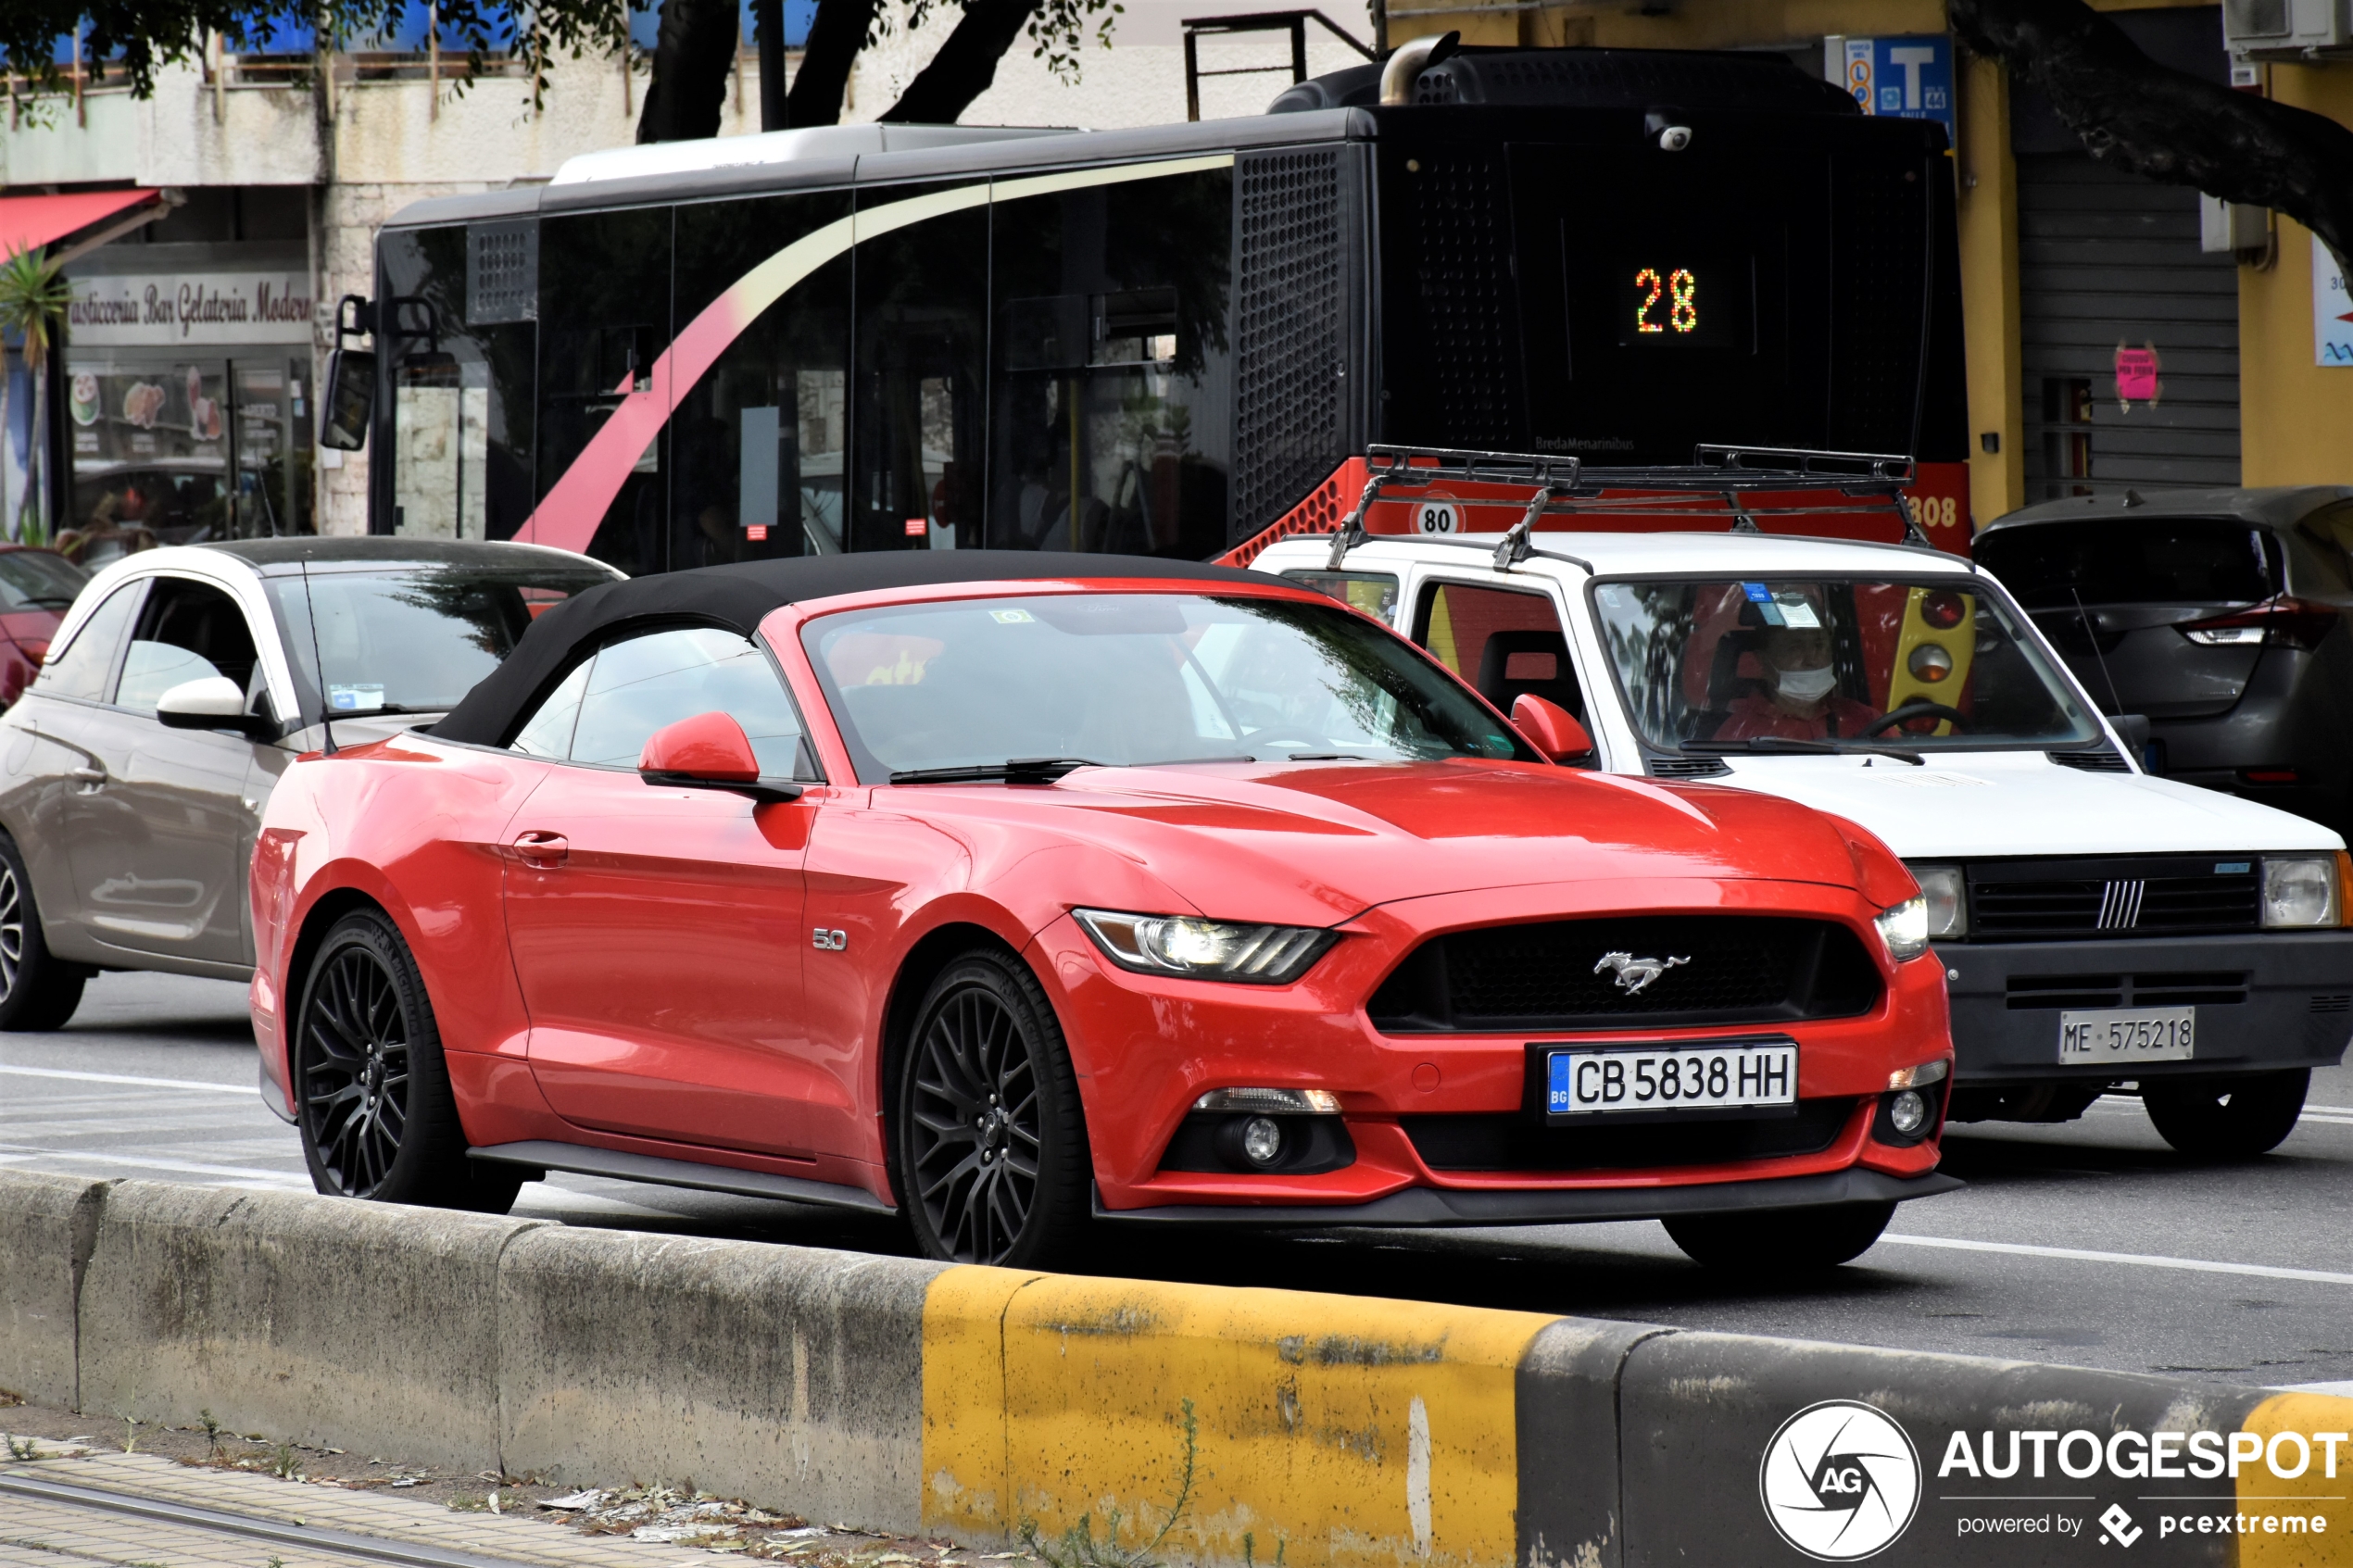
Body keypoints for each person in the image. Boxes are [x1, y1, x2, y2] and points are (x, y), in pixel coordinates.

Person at [1713, 623, 1881, 742]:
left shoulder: (1864, 718)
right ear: (1764, 660)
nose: (1812, 660)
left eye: (1819, 645)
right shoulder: (1739, 731)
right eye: (1795, 647)